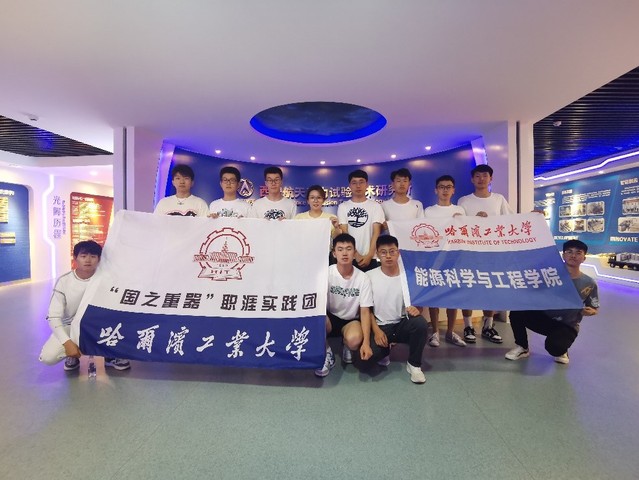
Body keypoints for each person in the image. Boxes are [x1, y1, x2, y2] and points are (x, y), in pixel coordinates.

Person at [39, 240, 131, 371]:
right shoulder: (64, 281)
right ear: (75, 258)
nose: (88, 260)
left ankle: (110, 355)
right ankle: (72, 354)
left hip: (100, 326)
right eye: (83, 256)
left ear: (99, 259)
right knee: (48, 357)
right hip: (71, 326)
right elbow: (53, 317)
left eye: (93, 256)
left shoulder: (107, 280)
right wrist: (67, 342)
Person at [505, 239, 599, 365]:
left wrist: (590, 312)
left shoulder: (589, 283)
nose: (573, 255)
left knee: (555, 348)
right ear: (563, 255)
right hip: (544, 319)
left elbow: (594, 308)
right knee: (517, 312)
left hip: (567, 325)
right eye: (569, 252)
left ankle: (562, 349)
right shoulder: (548, 276)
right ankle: (522, 347)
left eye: (578, 253)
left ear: (584, 258)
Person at [457, 164, 514, 344]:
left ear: (491, 179)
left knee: (490, 289)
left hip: (493, 253)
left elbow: (511, 220)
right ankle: (468, 326)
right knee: (468, 288)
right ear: (472, 179)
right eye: (477, 176)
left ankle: (488, 326)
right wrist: (474, 220)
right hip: (470, 253)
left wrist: (533, 216)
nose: (481, 179)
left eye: (485, 176)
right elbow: (458, 224)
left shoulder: (499, 199)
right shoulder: (464, 201)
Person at [366, 235, 428, 384]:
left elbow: (420, 300)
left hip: (402, 323)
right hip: (381, 326)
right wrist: (376, 331)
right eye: (383, 252)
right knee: (368, 358)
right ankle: (385, 350)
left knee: (420, 324)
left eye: (392, 251)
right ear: (377, 254)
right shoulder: (368, 276)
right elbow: (366, 309)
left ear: (398, 252)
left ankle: (414, 365)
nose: (388, 256)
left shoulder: (409, 276)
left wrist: (417, 309)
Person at [315, 233, 374, 377]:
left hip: (350, 320)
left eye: (348, 249)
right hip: (330, 317)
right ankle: (327, 352)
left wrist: (366, 343)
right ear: (334, 253)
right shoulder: (326, 274)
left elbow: (365, 311)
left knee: (354, 340)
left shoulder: (363, 278)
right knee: (316, 320)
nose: (344, 253)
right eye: (340, 249)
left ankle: (347, 344)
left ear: (354, 253)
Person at [423, 175, 467, 348]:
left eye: (449, 187)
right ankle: (435, 332)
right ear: (436, 190)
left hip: (455, 258)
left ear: (453, 190)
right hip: (434, 257)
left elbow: (467, 232)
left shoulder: (460, 210)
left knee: (451, 296)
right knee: (434, 296)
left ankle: (450, 331)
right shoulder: (428, 211)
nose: (445, 190)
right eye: (441, 187)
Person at [337, 170, 385, 271]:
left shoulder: (375, 206)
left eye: (361, 182)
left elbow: (376, 232)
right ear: (350, 186)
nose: (358, 186)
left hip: (371, 257)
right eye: (354, 183)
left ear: (367, 184)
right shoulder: (343, 207)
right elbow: (345, 232)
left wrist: (370, 255)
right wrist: (356, 254)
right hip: (349, 257)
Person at [294, 185, 341, 255]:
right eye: (312, 198)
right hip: (303, 255)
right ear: (308, 200)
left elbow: (336, 238)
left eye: (319, 197)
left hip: (325, 256)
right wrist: (283, 223)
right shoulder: (299, 217)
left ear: (323, 200)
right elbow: (292, 236)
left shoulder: (331, 218)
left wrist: (336, 227)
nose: (315, 201)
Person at [381, 168, 424, 233]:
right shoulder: (384, 205)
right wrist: (383, 226)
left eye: (405, 181)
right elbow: (380, 227)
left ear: (409, 184)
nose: (402, 184)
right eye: (398, 181)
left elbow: (421, 226)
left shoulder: (417, 204)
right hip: (392, 239)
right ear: (392, 184)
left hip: (411, 239)